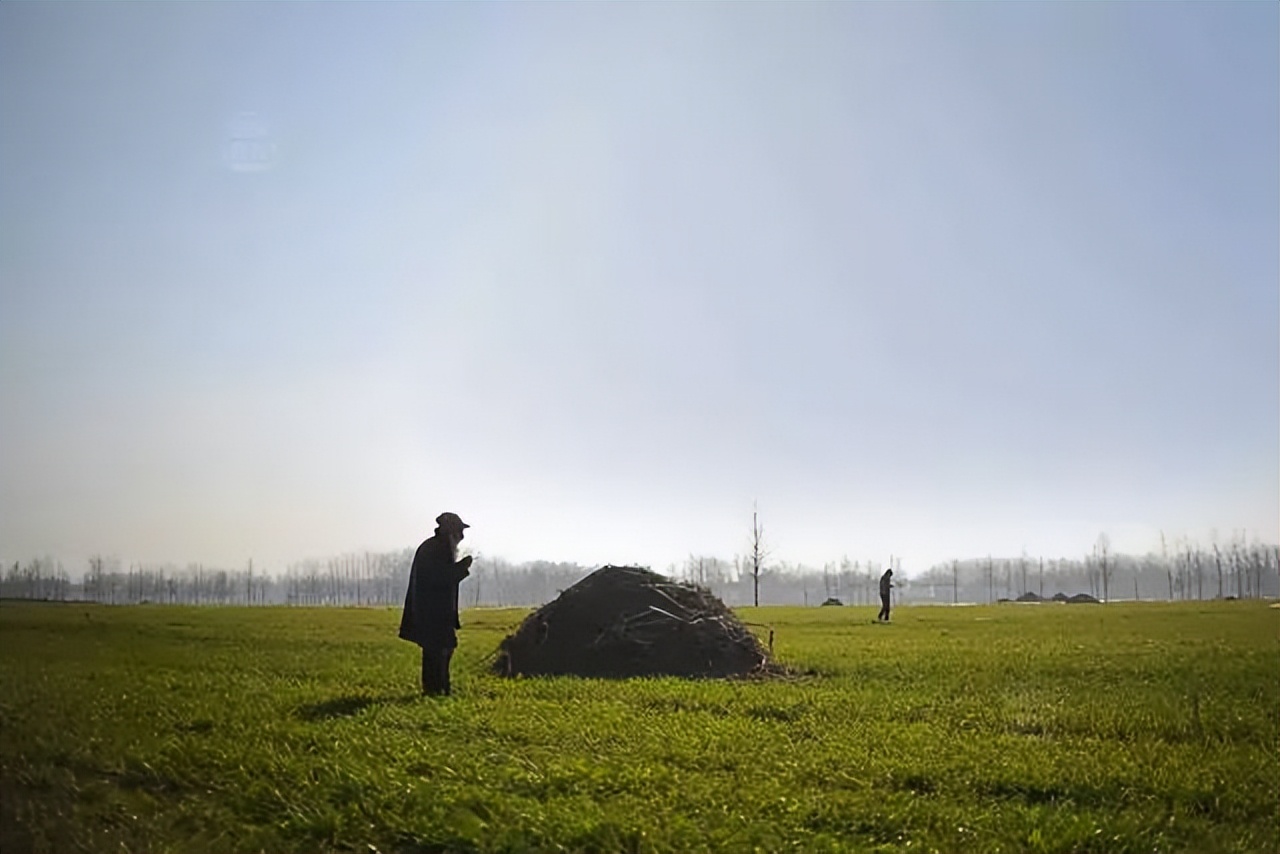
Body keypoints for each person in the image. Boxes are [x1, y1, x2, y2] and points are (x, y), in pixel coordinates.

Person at [399, 512, 473, 695]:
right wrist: (461, 568)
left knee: (440, 650)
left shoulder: (435, 547)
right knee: (438, 651)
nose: (462, 537)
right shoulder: (436, 549)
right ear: (451, 532)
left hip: (434, 613)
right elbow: (440, 579)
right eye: (459, 532)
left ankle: (439, 689)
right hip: (433, 614)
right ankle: (436, 690)